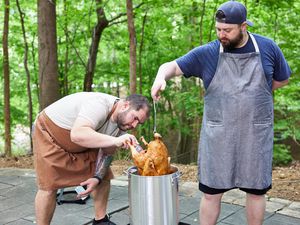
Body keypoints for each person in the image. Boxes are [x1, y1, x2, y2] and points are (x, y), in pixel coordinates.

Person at [151, 1, 291, 225]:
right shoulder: (208, 52)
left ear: (243, 26)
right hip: (218, 137)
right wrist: (160, 77)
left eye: (227, 30)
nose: (221, 34)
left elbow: (282, 79)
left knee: (256, 191)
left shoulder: (268, 48)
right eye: (218, 29)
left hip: (255, 134)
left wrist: (256, 93)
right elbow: (172, 66)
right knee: (211, 192)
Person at [32, 92, 150, 225]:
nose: (134, 125)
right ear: (125, 105)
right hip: (50, 135)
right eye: (134, 118)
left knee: (105, 177)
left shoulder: (121, 125)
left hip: (81, 142)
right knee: (48, 186)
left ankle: (100, 221)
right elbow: (77, 135)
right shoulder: (98, 104)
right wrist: (114, 140)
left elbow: (107, 153)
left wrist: (97, 177)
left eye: (138, 123)